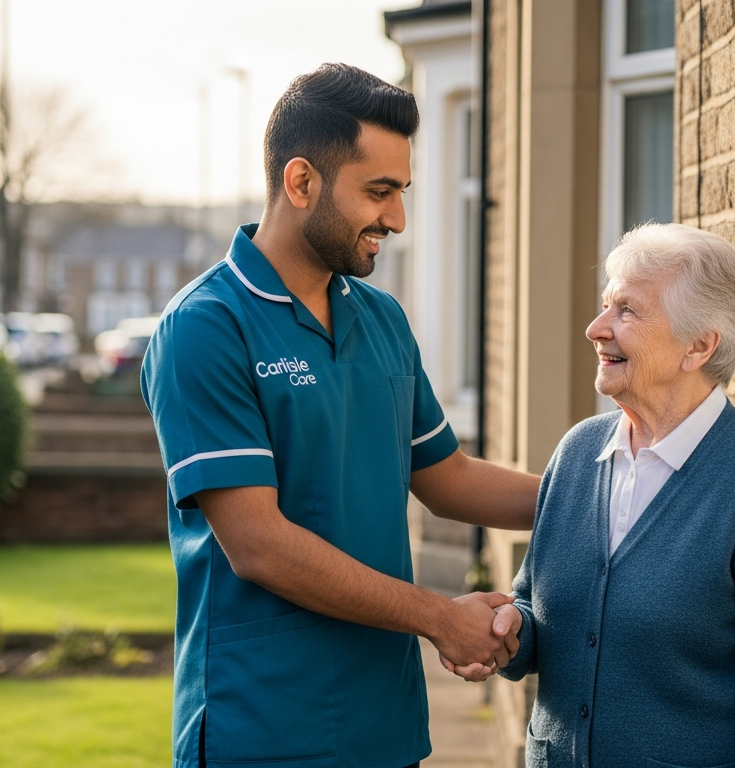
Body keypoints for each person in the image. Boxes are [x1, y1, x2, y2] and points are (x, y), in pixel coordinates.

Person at [141, 63, 540, 768]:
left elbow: (446, 476)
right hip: (261, 731)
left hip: (383, 728)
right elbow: (258, 544)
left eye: (401, 192)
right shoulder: (205, 328)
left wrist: (604, 497)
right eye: (379, 192)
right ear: (301, 183)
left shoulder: (381, 318)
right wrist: (441, 618)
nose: (398, 219)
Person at [447, 223, 735, 766]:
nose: (595, 328)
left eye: (626, 311)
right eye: (606, 305)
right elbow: (537, 613)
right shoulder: (579, 451)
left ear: (699, 346)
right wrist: (509, 632)